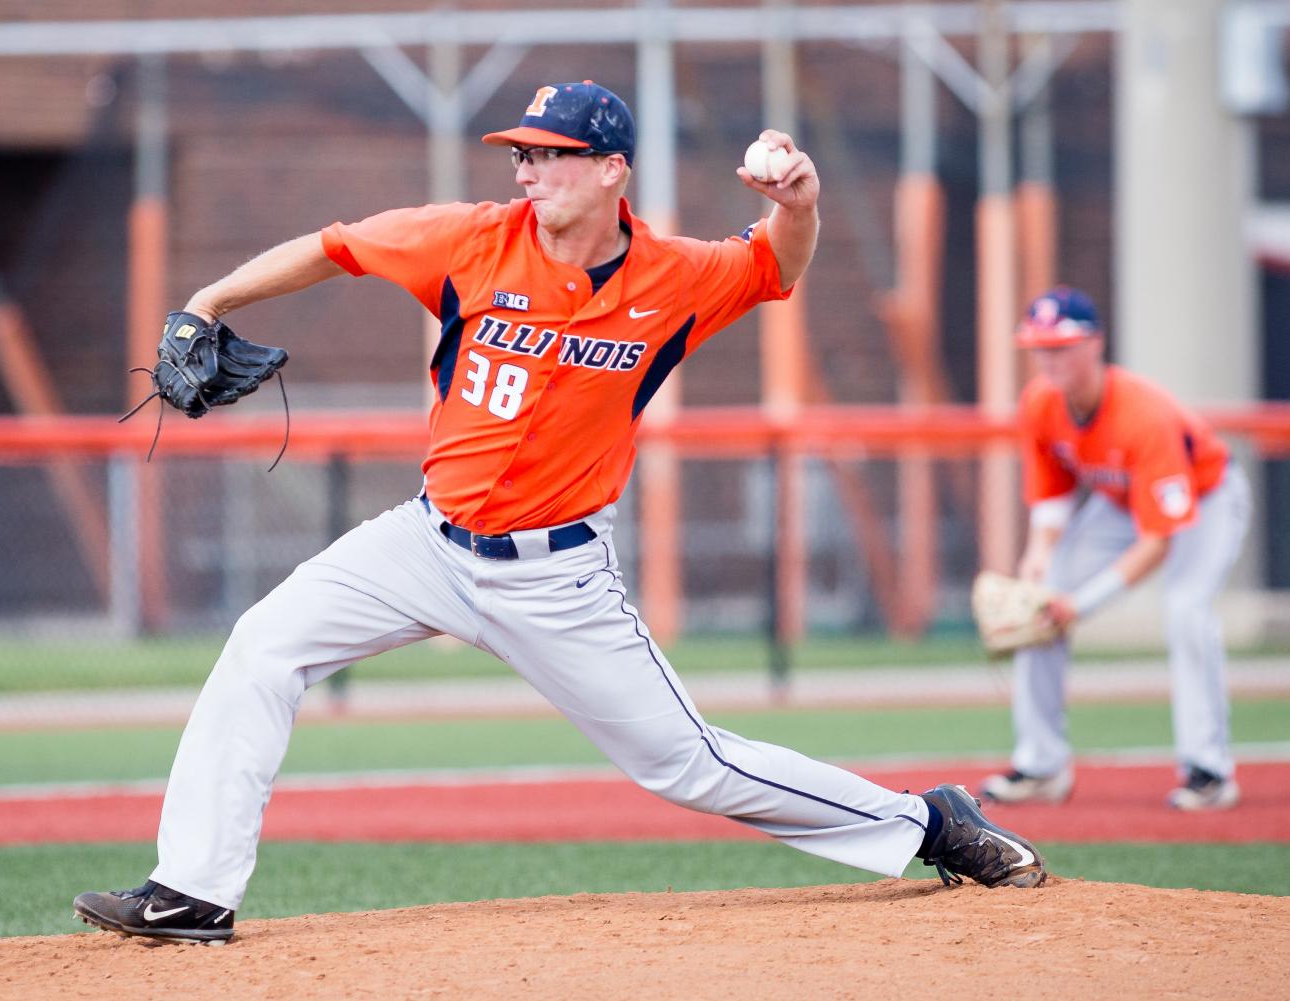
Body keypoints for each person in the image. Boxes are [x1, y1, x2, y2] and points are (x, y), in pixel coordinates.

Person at [74, 81, 1046, 945]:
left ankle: (928, 821)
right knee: (262, 643)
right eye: (521, 153)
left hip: (557, 574)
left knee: (690, 765)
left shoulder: (672, 278)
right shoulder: (469, 239)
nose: (528, 168)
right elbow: (334, 247)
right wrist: (208, 296)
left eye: (551, 153)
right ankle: (192, 891)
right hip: (427, 538)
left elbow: (774, 268)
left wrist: (802, 203)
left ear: (611, 169)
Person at [981, 287, 1251, 811]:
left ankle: (1209, 770)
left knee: (1186, 609)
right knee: (1038, 603)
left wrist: (1080, 606)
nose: (1049, 357)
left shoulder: (1143, 417)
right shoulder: (1040, 402)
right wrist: (1038, 560)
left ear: (1095, 343)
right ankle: (1041, 765)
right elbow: (1053, 500)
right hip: (1121, 502)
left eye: (1061, 345)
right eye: (1040, 346)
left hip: (1207, 496)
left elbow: (1157, 542)